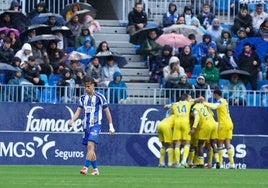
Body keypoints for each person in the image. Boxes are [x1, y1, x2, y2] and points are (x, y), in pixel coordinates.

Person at [68, 76, 115, 176]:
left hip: (96, 125)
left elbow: (107, 111)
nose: (87, 88)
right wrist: (72, 120)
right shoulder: (82, 98)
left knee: (90, 145)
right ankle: (95, 170)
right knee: (90, 149)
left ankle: (85, 168)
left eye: (89, 86)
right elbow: (78, 111)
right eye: (85, 86)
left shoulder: (100, 97)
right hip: (86, 126)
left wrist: (111, 126)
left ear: (93, 85)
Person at [203, 89, 236, 169]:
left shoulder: (220, 101)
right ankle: (232, 164)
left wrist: (204, 103)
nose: (213, 96)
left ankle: (220, 164)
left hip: (223, 124)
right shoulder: (225, 101)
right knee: (228, 143)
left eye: (213, 95)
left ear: (216, 94)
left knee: (220, 144)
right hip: (230, 123)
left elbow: (214, 107)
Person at [190, 102, 220, 168]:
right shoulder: (204, 105)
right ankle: (218, 161)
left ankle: (201, 163)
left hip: (205, 125)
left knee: (200, 144)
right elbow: (212, 114)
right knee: (212, 143)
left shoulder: (195, 108)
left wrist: (193, 128)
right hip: (213, 124)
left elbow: (197, 117)